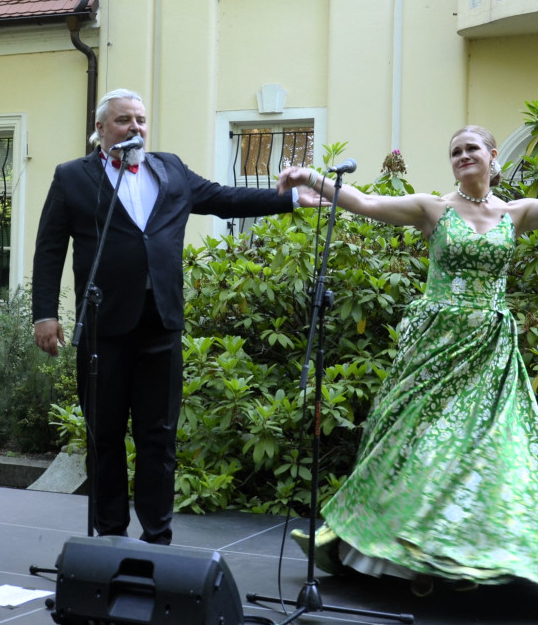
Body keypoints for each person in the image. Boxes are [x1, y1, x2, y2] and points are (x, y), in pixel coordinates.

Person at [277, 126, 538, 595]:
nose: (463, 156)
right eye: (455, 151)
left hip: (488, 350)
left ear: (493, 156)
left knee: (487, 452)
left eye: (472, 149)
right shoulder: (434, 208)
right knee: (421, 447)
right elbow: (365, 203)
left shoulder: (516, 213)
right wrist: (312, 176)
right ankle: (410, 561)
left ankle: (472, 557)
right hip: (436, 347)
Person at [32, 88, 325, 544]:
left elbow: (223, 198)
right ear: (101, 128)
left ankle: (157, 535)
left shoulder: (168, 168)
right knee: (103, 437)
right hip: (104, 327)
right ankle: (109, 534)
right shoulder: (72, 177)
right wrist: (44, 314)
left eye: (141, 120)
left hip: (160, 323)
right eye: (125, 120)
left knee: (159, 436)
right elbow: (50, 248)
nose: (136, 128)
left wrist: (287, 201)